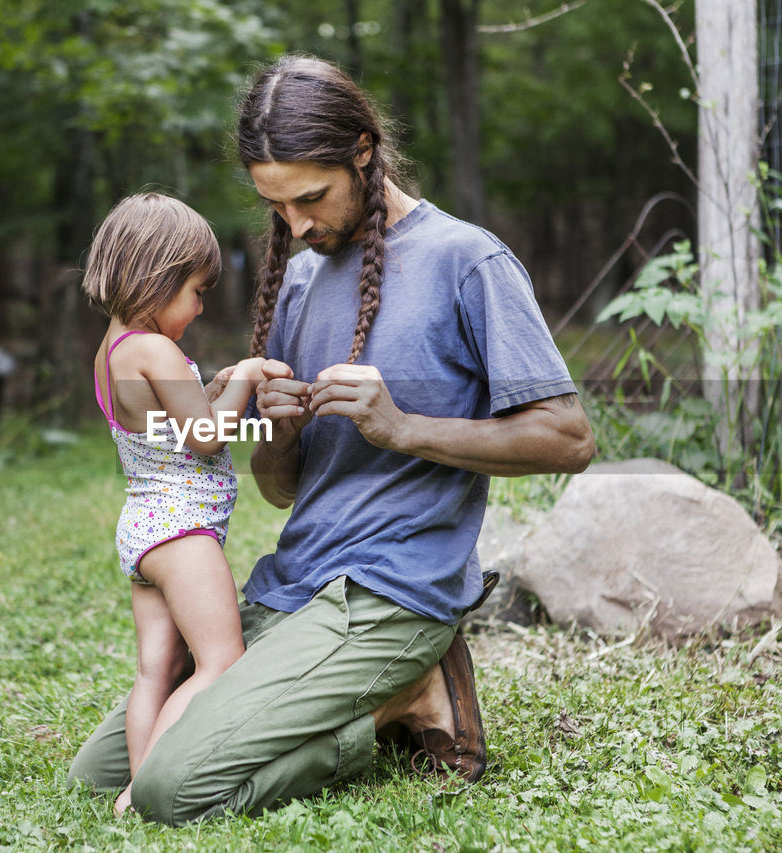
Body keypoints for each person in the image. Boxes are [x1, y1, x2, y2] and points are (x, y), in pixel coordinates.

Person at [69, 55, 595, 825]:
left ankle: (405, 695)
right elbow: (279, 486)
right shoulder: (303, 277)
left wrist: (402, 426)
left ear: (362, 149)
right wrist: (281, 431)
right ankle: (371, 695)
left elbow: (569, 437)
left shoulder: (466, 260)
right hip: (294, 586)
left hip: (391, 594)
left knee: (166, 789)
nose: (296, 226)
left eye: (309, 198)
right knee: (99, 769)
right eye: (275, 207)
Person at [82, 192, 269, 816]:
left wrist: (212, 389)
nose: (200, 305)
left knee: (154, 672)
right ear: (155, 280)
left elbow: (171, 424)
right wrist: (245, 375)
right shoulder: (156, 350)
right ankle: (147, 788)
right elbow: (206, 435)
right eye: (195, 290)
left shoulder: (115, 350)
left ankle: (137, 784)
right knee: (221, 659)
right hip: (181, 530)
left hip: (143, 529)